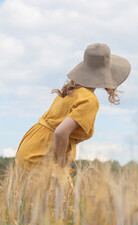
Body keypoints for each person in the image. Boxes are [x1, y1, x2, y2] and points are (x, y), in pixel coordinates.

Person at [15, 43, 131, 179]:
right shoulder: (89, 100)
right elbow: (60, 132)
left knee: (32, 199)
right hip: (42, 154)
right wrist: (60, 167)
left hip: (30, 146)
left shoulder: (71, 90)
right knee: (60, 197)